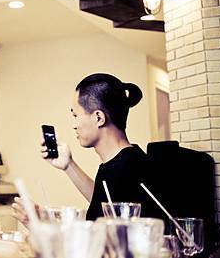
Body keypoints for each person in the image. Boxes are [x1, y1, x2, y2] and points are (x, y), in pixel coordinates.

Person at [15, 73, 158, 223]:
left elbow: (110, 235)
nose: (74, 125)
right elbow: (104, 204)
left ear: (98, 118)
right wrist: (68, 165)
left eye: (75, 115)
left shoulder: (127, 171)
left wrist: (38, 222)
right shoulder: (124, 162)